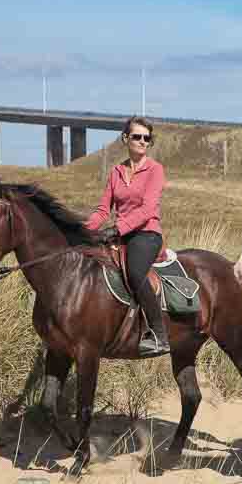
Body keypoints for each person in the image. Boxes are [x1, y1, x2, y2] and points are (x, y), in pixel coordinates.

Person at [86, 116, 169, 357]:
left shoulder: (155, 170)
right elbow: (103, 210)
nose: (143, 141)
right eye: (137, 136)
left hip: (146, 234)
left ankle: (159, 335)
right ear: (126, 139)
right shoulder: (116, 172)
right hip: (120, 235)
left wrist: (117, 229)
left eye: (147, 138)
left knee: (134, 272)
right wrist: (85, 230)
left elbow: (148, 209)